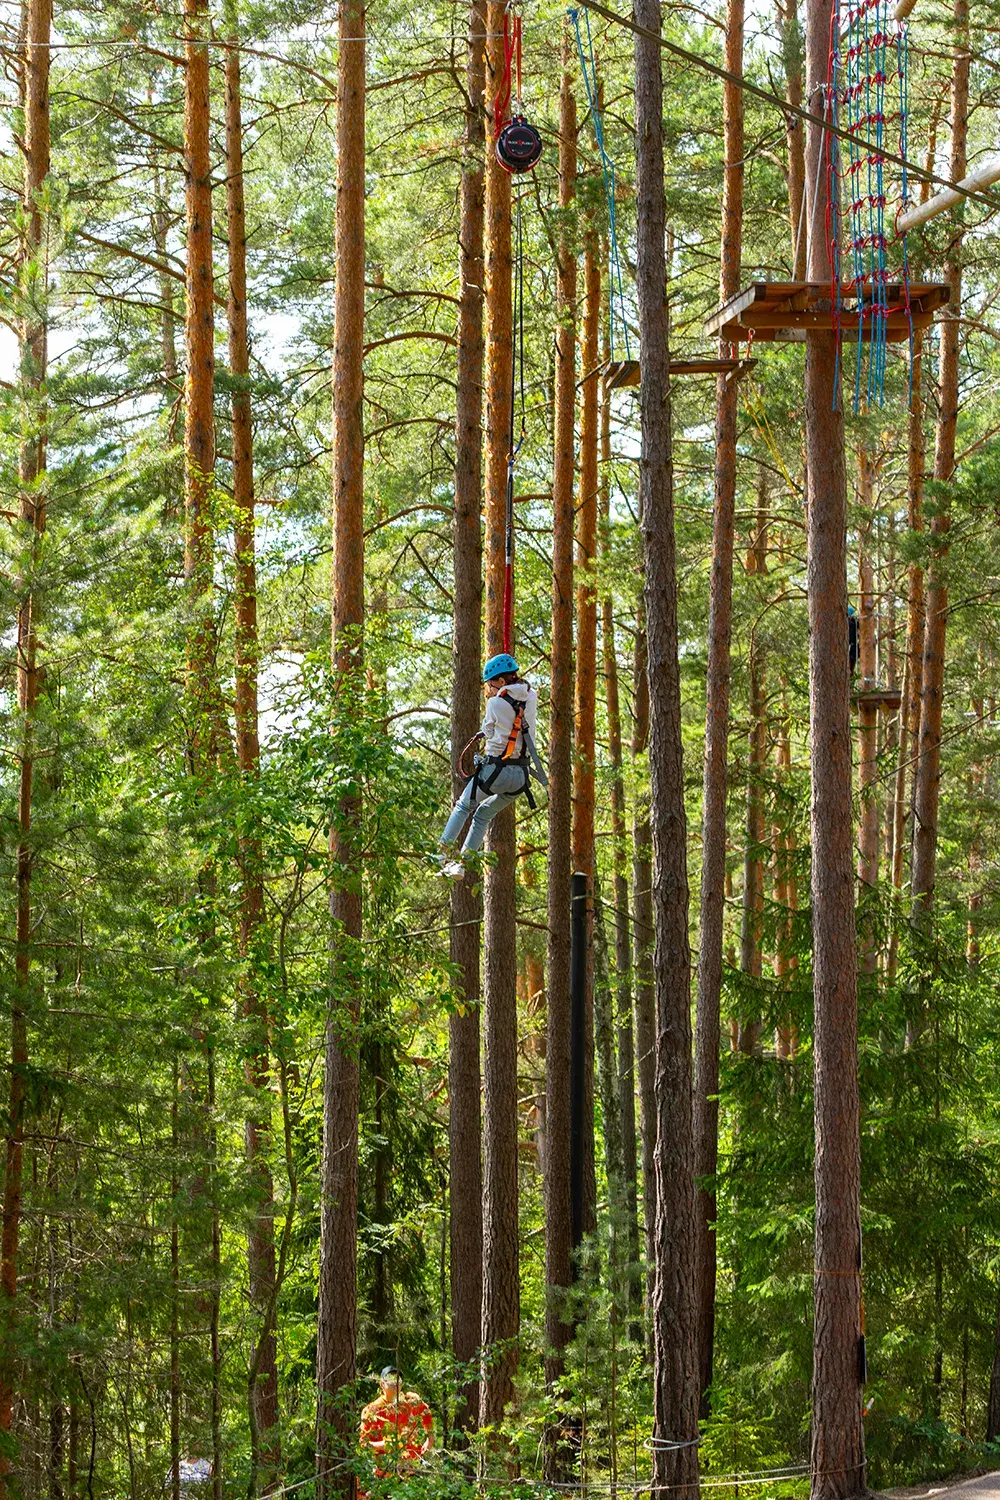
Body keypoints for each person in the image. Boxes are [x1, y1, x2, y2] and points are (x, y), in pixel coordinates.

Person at [438, 653, 546, 876]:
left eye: (491, 684)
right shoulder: (532, 696)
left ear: (502, 681)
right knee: (483, 814)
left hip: (497, 772)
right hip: (521, 777)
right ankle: (462, 864)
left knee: (463, 806)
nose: (490, 689)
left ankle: (440, 852)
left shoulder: (495, 703)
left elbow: (488, 730)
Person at [359, 1367, 433, 1484]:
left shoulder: (411, 1402)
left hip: (411, 1470)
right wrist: (383, 1445)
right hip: (385, 1473)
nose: (395, 1383)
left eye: (397, 1379)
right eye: (390, 1379)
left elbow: (426, 1412)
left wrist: (430, 1437)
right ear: (381, 1384)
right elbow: (363, 1445)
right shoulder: (372, 1410)